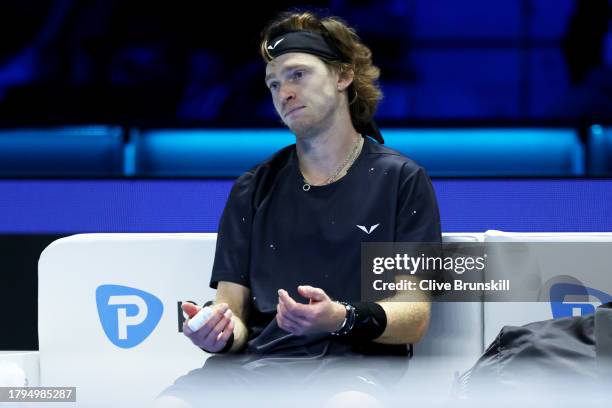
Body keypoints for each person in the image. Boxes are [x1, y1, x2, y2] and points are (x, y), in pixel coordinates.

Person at [158, 10, 441, 407]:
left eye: (297, 75)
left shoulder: (401, 180)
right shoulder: (253, 186)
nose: (283, 93)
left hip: (356, 369)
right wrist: (218, 333)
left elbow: (413, 317)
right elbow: (233, 313)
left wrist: (340, 317)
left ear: (343, 77)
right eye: (273, 83)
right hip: (254, 369)